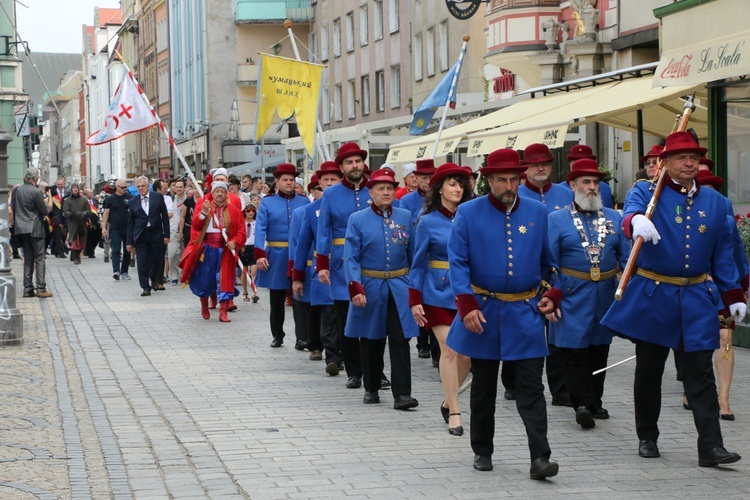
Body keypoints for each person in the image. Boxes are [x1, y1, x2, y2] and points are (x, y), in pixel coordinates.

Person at [601, 131, 745, 467]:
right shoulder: (647, 191)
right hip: (655, 295)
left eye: (694, 157)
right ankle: (647, 436)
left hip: (696, 296)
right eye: (681, 158)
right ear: (665, 163)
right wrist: (634, 220)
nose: (689, 163)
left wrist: (733, 294)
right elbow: (631, 213)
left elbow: (723, 254)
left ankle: (711, 447)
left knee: (699, 373)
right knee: (649, 370)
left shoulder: (717, 203)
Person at [446, 147, 561, 479]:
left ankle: (540, 457)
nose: (509, 186)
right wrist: (466, 304)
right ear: (489, 181)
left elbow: (550, 264)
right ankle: (482, 448)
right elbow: (458, 262)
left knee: (531, 387)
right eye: (501, 180)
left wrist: (552, 293)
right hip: (484, 310)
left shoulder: (538, 213)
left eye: (513, 179)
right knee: (484, 385)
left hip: (524, 313)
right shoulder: (468, 213)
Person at [547, 158, 630, 429]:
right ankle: (581, 403)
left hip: (605, 291)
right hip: (571, 292)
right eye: (586, 182)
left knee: (599, 348)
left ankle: (595, 400)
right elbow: (549, 260)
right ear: (572, 185)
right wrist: (553, 291)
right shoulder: (557, 219)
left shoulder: (614, 217)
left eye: (596, 182)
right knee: (573, 350)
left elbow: (627, 256)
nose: (592, 187)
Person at [344, 168, 419, 410]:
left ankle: (402, 393)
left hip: (399, 285)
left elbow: (414, 254)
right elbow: (351, 257)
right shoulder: (357, 219)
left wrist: (415, 288)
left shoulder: (405, 216)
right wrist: (356, 288)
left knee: (400, 338)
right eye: (380, 188)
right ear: (371, 191)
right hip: (370, 285)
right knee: (371, 338)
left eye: (389, 188)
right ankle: (371, 386)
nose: (386, 192)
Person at [409, 162, 473, 435]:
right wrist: (415, 299)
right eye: (452, 184)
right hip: (437, 293)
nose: (457, 189)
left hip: (468, 293)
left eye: (461, 184)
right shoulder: (427, 220)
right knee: (450, 350)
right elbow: (418, 263)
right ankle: (456, 413)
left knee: (468, 356)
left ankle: (448, 399)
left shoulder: (471, 217)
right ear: (439, 189)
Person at [514, 142, 573, 407]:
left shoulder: (565, 194)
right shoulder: (516, 194)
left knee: (558, 331)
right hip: (526, 270)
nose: (541, 168)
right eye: (535, 164)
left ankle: (560, 389)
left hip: (560, 270)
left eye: (546, 163)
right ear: (525, 168)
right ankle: (514, 381)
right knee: (524, 328)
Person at [317, 142, 372, 389]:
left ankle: (375, 371)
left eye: (358, 161)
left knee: (374, 319)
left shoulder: (376, 189)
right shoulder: (330, 194)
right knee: (346, 318)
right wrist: (322, 264)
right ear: (341, 167)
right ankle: (353, 371)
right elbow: (323, 230)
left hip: (373, 260)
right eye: (349, 162)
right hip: (340, 260)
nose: (354, 166)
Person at [695, 169, 749, 421]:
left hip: (722, 288)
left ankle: (723, 399)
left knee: (725, 337)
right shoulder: (681, 216)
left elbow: (736, 253)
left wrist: (742, 284)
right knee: (696, 342)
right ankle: (691, 388)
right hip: (692, 287)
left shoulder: (725, 221)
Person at [293, 162, 343, 368]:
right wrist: (296, 276)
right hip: (322, 267)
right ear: (319, 183)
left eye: (334, 179)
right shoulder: (310, 210)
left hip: (347, 266)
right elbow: (302, 242)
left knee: (344, 315)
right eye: (326, 180)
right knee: (328, 313)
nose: (330, 184)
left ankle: (345, 354)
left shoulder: (351, 205)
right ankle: (332, 356)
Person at [254, 163, 310, 347]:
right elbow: (260, 229)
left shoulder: (304, 202)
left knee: (299, 296)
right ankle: (277, 334)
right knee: (276, 298)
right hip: (276, 255)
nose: (288, 182)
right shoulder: (268, 202)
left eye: (291, 179)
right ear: (277, 182)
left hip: (299, 254)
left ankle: (302, 337)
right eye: (284, 179)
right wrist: (260, 254)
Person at [180, 182, 245, 322]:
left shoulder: (235, 211)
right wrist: (203, 212)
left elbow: (241, 231)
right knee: (205, 279)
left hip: (226, 250)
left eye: (223, 191)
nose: (220, 194)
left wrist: (235, 242)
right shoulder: (205, 207)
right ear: (212, 193)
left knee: (226, 280)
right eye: (217, 191)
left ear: (226, 194)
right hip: (208, 249)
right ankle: (204, 305)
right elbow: (196, 226)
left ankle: (223, 312)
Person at [10, 167, 52, 298]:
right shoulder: (36, 192)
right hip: (35, 228)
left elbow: (14, 208)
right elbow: (45, 211)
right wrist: (45, 203)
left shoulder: (16, 190)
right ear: (36, 178)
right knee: (40, 258)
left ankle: (27, 288)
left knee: (28, 258)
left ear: (26, 177)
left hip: (21, 228)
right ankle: (41, 288)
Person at [126, 176, 171, 296]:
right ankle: (145, 286)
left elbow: (165, 217)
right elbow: (130, 223)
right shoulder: (133, 201)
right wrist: (129, 242)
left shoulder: (157, 197)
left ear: (148, 186)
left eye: (143, 186)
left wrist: (166, 234)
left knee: (157, 259)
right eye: (138, 186)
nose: (141, 188)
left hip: (156, 233)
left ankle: (154, 277)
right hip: (141, 235)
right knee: (142, 261)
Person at [102, 179, 133, 281]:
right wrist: (104, 227)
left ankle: (124, 271)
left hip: (128, 228)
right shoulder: (110, 199)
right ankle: (116, 271)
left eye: (126, 187)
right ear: (117, 187)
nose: (125, 189)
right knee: (116, 250)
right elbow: (106, 214)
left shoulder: (130, 198)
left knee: (127, 250)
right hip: (115, 228)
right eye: (123, 187)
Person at [62, 183, 91, 265]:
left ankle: (78, 255)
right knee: (74, 241)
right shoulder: (67, 201)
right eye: (74, 188)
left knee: (82, 241)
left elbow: (89, 211)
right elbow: (65, 212)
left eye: (76, 188)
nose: (75, 189)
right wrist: (74, 214)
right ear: (71, 190)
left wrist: (84, 214)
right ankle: (76, 257)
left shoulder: (84, 200)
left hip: (82, 223)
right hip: (73, 223)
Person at [167, 178, 188, 285]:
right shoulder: (170, 199)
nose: (178, 189)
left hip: (186, 230)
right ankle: (173, 275)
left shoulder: (188, 199)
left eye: (180, 187)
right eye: (176, 187)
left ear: (184, 188)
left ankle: (182, 275)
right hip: (173, 230)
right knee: (172, 253)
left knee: (184, 255)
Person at [239, 201, 259, 303]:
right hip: (244, 247)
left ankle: (254, 292)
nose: (251, 213)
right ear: (244, 212)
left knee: (254, 271)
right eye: (248, 211)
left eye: (253, 211)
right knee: (244, 272)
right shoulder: (241, 222)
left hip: (254, 247)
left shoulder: (258, 222)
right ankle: (245, 292)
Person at [83, 188, 102, 257]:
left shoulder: (95, 201)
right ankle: (89, 251)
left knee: (97, 237)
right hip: (87, 222)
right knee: (89, 238)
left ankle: (91, 249)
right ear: (86, 194)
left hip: (96, 223)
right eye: (90, 193)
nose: (92, 194)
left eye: (92, 192)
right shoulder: (83, 201)